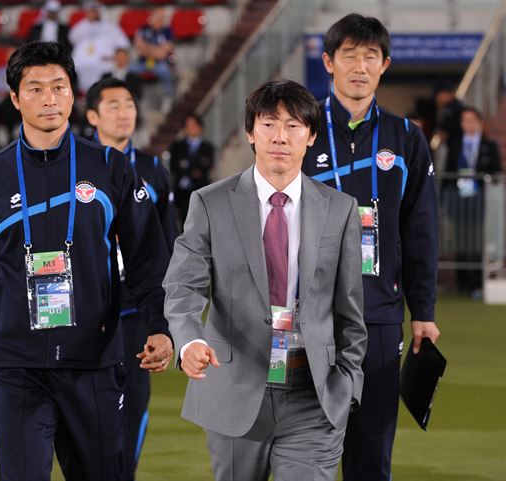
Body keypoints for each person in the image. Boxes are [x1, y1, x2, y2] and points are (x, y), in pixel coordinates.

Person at [0, 41, 173, 481]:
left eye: (59, 86)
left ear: (73, 94)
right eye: (35, 89)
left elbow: (147, 256)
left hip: (92, 361)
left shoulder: (110, 167)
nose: (50, 98)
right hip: (17, 363)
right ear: (15, 98)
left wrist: (159, 325)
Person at [164, 79, 367, 481]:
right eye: (269, 124)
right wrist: (189, 339)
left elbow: (350, 308)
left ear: (310, 136)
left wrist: (347, 381)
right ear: (250, 132)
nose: (280, 136)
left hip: (313, 393)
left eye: (293, 126)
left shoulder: (340, 210)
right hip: (236, 388)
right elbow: (182, 285)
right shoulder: (209, 202)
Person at [301, 14, 440, 481]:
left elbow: (421, 230)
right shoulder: (300, 130)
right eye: (349, 55)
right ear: (328, 63)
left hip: (379, 315)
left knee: (372, 453)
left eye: (370, 57)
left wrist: (423, 311)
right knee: (305, 450)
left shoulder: (406, 139)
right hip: (307, 315)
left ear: (384, 66)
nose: (360, 66)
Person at [85, 76, 178, 481]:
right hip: (89, 315)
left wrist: (167, 312)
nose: (124, 113)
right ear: (92, 116)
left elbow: (168, 243)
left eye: (129, 104)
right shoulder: (80, 166)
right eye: (113, 105)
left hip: (137, 314)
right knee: (88, 418)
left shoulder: (154, 169)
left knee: (134, 409)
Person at [446, 106, 502, 295]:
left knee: (478, 241)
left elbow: (496, 172)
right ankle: (463, 284)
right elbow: (447, 173)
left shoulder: (489, 145)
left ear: (479, 122)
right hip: (459, 199)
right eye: (464, 121)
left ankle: (478, 283)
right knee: (461, 239)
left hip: (480, 199)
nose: (467, 125)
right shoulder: (454, 145)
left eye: (471, 120)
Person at [68, 0, 130, 93]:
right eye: (91, 11)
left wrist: (115, 56)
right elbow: (72, 38)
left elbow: (123, 44)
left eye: (95, 11)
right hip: (81, 63)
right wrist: (88, 22)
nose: (94, 14)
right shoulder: (83, 26)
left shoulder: (110, 26)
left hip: (105, 62)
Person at [168, 112, 215, 226]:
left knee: (202, 222)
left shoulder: (208, 147)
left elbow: (206, 168)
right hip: (182, 192)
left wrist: (186, 166)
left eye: (194, 125)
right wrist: (194, 170)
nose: (191, 128)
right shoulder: (177, 146)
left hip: (201, 189)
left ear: (200, 126)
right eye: (188, 125)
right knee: (184, 222)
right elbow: (174, 167)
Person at [130, 7, 174, 111]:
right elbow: (139, 48)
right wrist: (156, 50)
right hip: (143, 63)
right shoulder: (143, 29)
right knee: (129, 69)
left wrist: (147, 48)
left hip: (159, 64)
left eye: (161, 18)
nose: (159, 20)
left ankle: (167, 97)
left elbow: (163, 54)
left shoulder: (167, 31)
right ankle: (131, 97)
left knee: (165, 70)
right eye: (157, 17)